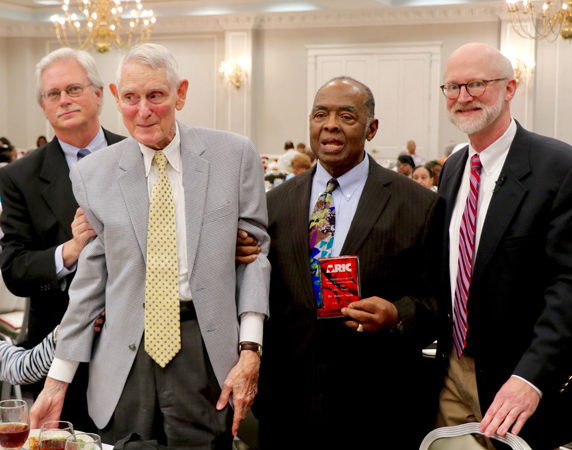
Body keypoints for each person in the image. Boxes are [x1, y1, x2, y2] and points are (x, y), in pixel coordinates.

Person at [30, 43, 270, 449]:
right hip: (124, 358)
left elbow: (254, 258)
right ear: (116, 96)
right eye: (131, 97)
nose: (143, 110)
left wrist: (250, 349)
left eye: (156, 95)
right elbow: (89, 282)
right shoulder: (93, 175)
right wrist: (57, 381)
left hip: (202, 347)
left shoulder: (233, 155)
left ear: (180, 93)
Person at [238, 76, 443, 449]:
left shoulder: (418, 205)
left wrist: (397, 315)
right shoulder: (274, 205)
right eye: (320, 114)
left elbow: (438, 303)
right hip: (288, 407)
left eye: (346, 116)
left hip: (378, 409)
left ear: (371, 128)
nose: (329, 124)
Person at [436, 42, 572, 450]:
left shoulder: (563, 170)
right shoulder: (454, 167)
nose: (463, 97)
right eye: (452, 87)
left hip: (523, 383)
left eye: (476, 84)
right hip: (453, 373)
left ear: (510, 88)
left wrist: (530, 379)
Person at [0, 47, 124, 431]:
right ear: (43, 106)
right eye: (53, 94)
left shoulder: (136, 154)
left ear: (99, 94)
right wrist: (68, 252)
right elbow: (15, 271)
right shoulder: (20, 176)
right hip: (58, 350)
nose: (64, 100)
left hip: (135, 345)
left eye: (74, 88)